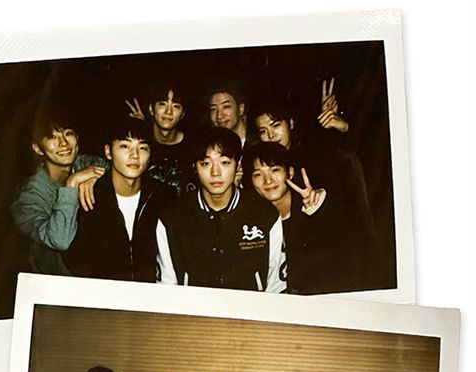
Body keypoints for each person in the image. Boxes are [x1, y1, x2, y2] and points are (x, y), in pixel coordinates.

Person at [156, 126, 286, 293]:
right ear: (194, 167)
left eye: (224, 163)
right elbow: (167, 286)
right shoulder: (172, 217)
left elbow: (276, 285)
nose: (215, 172)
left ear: (238, 165)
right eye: (205, 163)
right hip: (193, 307)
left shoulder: (265, 214)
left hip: (250, 307)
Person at [242, 141, 367, 295]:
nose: (268, 180)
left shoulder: (314, 205)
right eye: (258, 174)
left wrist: (317, 211)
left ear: (290, 172)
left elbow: (347, 248)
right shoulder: (253, 221)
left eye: (275, 170)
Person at [64, 117, 174, 282]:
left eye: (143, 148)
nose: (134, 155)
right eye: (125, 146)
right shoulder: (89, 197)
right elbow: (73, 260)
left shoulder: (164, 197)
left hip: (151, 293)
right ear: (108, 152)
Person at [11, 109, 107, 275]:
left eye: (68, 133)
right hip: (54, 283)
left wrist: (98, 178)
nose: (63, 143)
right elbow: (60, 241)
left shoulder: (85, 164)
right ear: (38, 148)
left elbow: (122, 173)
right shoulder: (27, 198)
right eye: (52, 137)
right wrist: (72, 184)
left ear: (77, 138)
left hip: (96, 275)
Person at [126, 84, 193, 195]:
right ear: (151, 109)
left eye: (176, 106)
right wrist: (139, 127)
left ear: (182, 114)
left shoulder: (194, 145)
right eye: (162, 104)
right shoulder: (140, 144)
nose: (168, 111)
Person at [207, 79, 249, 145]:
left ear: (241, 109)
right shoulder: (207, 145)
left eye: (226, 107)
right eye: (213, 109)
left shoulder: (258, 140)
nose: (219, 116)